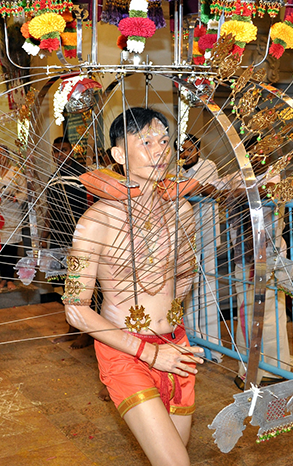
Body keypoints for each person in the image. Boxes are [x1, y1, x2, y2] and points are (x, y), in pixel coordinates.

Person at [65, 108, 204, 466]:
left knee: (174, 455)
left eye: (164, 141)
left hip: (177, 346)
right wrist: (149, 352)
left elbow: (185, 275)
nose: (159, 150)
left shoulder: (183, 212)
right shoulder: (95, 221)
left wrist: (169, 325)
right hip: (126, 352)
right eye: (145, 142)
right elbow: (75, 309)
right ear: (118, 156)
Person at [211, 137, 291, 389]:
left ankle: (275, 370)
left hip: (268, 257)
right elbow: (213, 189)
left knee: (269, 314)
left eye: (260, 150)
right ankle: (247, 368)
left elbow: (266, 192)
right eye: (249, 151)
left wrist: (233, 193)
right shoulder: (237, 175)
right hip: (242, 258)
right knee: (244, 313)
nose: (255, 155)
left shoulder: (275, 174)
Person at [43, 136, 94, 349]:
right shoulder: (53, 177)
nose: (59, 155)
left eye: (63, 150)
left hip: (80, 238)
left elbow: (93, 205)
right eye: (55, 151)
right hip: (59, 237)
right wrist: (44, 236)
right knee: (66, 286)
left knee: (85, 286)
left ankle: (88, 332)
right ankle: (72, 328)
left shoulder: (84, 175)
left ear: (72, 150)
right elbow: (50, 208)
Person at [177, 135, 223, 362]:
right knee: (187, 289)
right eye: (181, 151)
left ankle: (211, 347)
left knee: (207, 289)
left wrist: (179, 185)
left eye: (188, 150)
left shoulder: (208, 166)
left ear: (198, 149)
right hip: (185, 238)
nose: (184, 155)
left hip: (205, 236)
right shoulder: (177, 170)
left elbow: (198, 190)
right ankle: (191, 342)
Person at [0, 145, 26, 291]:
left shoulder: (16, 172)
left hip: (12, 214)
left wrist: (16, 197)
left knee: (10, 247)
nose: (0, 157)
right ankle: (3, 278)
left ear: (9, 156)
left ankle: (9, 279)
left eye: (3, 154)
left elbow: (25, 193)